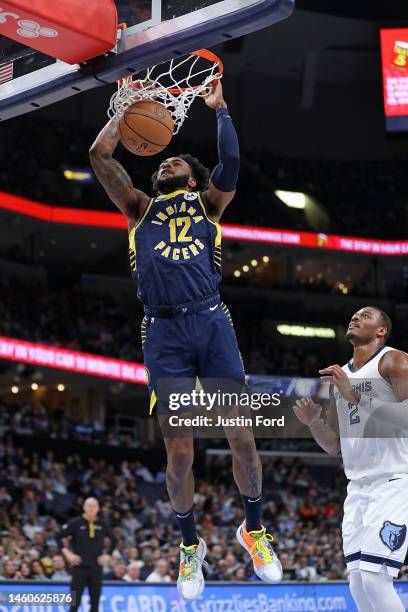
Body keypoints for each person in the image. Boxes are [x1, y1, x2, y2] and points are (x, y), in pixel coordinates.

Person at [89, 80, 282, 601]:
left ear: (195, 180)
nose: (167, 162)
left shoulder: (210, 207)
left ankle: (254, 529)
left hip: (211, 323)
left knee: (241, 437)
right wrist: (125, 111)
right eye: (164, 161)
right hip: (164, 331)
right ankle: (189, 545)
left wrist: (221, 112)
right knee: (179, 454)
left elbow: (232, 165)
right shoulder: (137, 207)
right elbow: (99, 154)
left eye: (178, 163)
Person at [293, 306, 408, 612]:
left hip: (394, 481)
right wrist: (313, 423)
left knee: (375, 580)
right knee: (357, 582)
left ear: (382, 330)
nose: (356, 317)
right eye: (354, 315)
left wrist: (356, 396)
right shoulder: (340, 377)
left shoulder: (394, 360)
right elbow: (333, 446)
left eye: (366, 315)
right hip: (357, 488)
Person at [57, 497, 116, 612]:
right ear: (84, 507)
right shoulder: (75, 523)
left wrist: (108, 555)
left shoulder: (103, 524)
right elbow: (58, 536)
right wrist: (67, 553)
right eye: (89, 505)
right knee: (74, 603)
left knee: (95, 603)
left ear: (98, 508)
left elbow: (114, 540)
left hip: (96, 568)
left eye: (94, 506)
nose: (91, 508)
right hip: (79, 567)